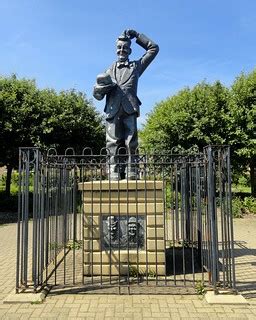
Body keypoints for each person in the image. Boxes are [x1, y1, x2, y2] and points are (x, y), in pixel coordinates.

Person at [93, 29, 159, 180]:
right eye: (119, 47)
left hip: (130, 107)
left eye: (125, 47)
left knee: (131, 142)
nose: (122, 50)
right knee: (112, 142)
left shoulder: (136, 66)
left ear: (130, 49)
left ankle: (132, 170)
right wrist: (98, 90)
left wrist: (137, 36)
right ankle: (113, 171)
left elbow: (154, 48)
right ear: (116, 50)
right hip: (112, 108)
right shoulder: (108, 71)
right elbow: (97, 94)